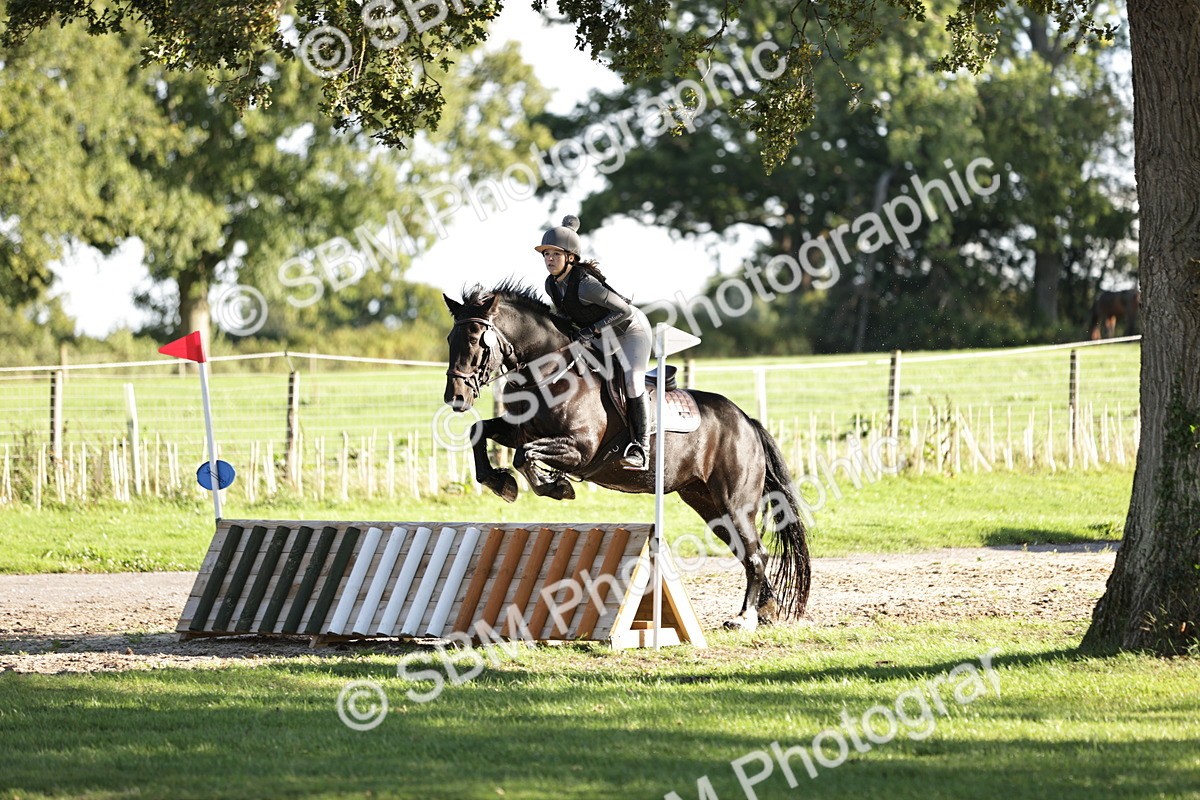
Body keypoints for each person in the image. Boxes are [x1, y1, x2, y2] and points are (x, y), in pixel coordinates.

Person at [536, 215, 653, 471]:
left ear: (570, 257)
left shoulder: (585, 285)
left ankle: (641, 447)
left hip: (630, 330)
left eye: (555, 254)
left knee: (632, 379)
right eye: (545, 254)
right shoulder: (551, 285)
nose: (549, 260)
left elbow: (623, 310)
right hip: (602, 336)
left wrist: (590, 331)